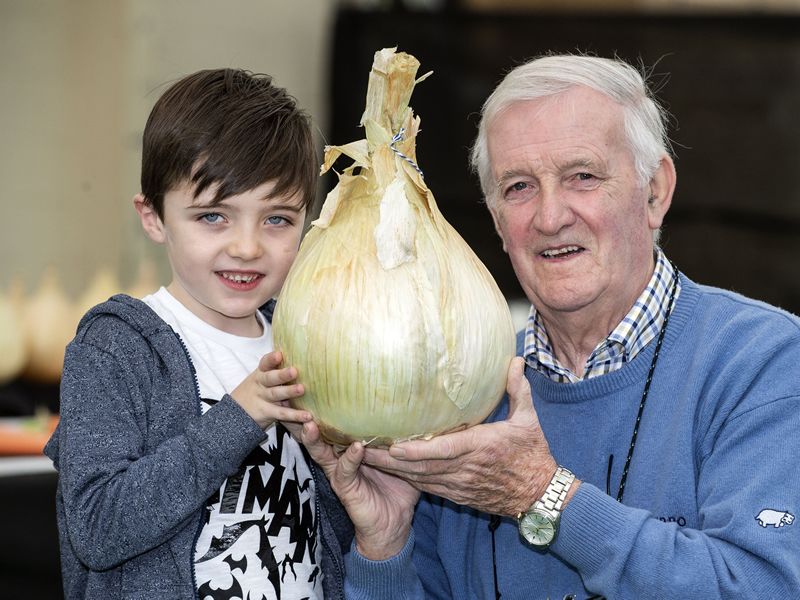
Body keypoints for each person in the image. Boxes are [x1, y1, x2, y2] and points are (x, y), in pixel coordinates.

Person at [301, 54, 800, 599]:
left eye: (582, 176)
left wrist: (543, 494)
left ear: (655, 191)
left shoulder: (765, 363)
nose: (549, 216)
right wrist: (387, 544)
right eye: (519, 187)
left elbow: (760, 586)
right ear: (495, 219)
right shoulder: (463, 394)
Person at [44, 68, 352, 599]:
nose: (248, 247)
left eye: (277, 219)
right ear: (154, 217)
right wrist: (240, 416)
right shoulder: (116, 347)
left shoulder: (304, 340)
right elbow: (96, 527)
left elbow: (327, 536)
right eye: (213, 217)